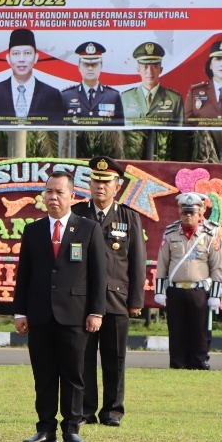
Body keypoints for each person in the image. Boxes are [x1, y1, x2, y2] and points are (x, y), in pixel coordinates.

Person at [12, 170, 107, 442]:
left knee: (74, 374)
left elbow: (99, 275)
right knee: (43, 375)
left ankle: (72, 429)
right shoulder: (33, 230)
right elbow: (24, 274)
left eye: (59, 192)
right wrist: (20, 312)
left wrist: (96, 311)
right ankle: (45, 429)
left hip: (75, 314)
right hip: (40, 314)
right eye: (49, 192)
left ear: (72, 196)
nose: (53, 197)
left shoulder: (88, 229)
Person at [71, 157, 146, 426]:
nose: (100, 186)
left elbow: (137, 261)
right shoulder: (78, 214)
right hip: (82, 298)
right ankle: (86, 411)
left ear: (117, 186)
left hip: (116, 299)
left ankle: (113, 411)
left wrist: (136, 300)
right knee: (84, 359)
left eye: (106, 182)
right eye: (95, 181)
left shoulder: (128, 217)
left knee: (115, 359)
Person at [154, 193, 222, 370]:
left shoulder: (210, 234)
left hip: (198, 290)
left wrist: (216, 295)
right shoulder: (171, 233)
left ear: (200, 212)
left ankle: (199, 361)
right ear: (179, 211)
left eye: (192, 212)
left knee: (199, 329)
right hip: (175, 289)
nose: (188, 216)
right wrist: (159, 291)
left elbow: (217, 266)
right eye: (185, 212)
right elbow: (162, 262)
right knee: (176, 329)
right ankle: (177, 363)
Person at [0, 28, 65, 121]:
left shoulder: (52, 95)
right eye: (16, 53)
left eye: (27, 53)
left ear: (36, 58)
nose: (21, 59)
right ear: (8, 58)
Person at [121, 42, 184, 125]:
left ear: (160, 70)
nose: (149, 72)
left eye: (154, 66)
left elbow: (180, 134)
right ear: (138, 70)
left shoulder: (174, 99)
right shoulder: (125, 98)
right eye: (145, 67)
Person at [61, 42, 123, 124]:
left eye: (94, 64)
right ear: (79, 67)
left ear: (101, 66)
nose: (90, 68)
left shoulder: (113, 96)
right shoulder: (66, 96)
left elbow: (120, 127)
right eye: (86, 64)